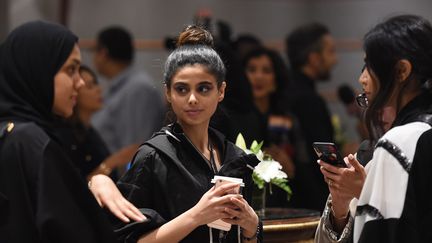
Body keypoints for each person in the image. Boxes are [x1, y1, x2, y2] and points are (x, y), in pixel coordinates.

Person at [114, 25, 262, 243]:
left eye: (203, 88)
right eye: (182, 89)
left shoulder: (234, 156)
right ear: (168, 92)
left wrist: (252, 226)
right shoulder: (153, 157)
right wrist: (196, 216)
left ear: (221, 91)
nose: (192, 99)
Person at [0, 21, 145, 243]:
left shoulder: (12, 132)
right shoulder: (31, 141)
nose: (79, 83)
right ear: (40, 70)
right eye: (71, 70)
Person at [315, 14, 432, 242]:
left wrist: (366, 191)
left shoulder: (400, 141)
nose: (362, 79)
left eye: (370, 65)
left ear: (401, 71)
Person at [91, 26, 165, 166]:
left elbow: (135, 149)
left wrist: (105, 170)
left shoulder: (138, 89)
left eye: (94, 51)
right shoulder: (118, 87)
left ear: (103, 53)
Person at [284, 22, 338, 211]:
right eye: (330, 52)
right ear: (314, 58)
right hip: (310, 200)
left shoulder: (285, 90)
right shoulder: (308, 99)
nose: (335, 60)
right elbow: (322, 158)